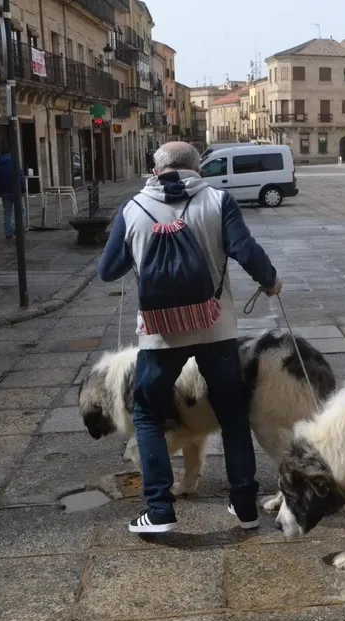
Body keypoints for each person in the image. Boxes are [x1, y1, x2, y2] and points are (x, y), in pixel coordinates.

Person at [98, 141, 280, 534]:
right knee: (231, 412)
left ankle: (159, 511)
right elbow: (245, 250)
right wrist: (270, 281)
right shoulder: (218, 201)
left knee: (147, 413)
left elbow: (107, 271)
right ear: (198, 168)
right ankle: (245, 505)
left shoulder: (133, 208)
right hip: (216, 326)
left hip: (160, 332)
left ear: (156, 169)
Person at [0, 150, 26, 239]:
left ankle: (8, 233)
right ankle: (19, 229)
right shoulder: (14, 160)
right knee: (21, 211)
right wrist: (23, 189)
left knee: (7, 213)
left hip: (4, 192)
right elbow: (20, 175)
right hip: (16, 191)